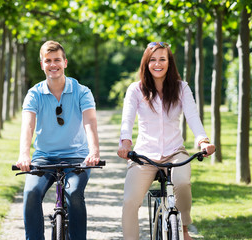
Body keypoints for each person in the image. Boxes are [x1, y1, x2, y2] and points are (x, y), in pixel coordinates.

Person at [117, 42, 216, 240]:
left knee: (182, 183)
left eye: (162, 59)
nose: (157, 64)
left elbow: (193, 117)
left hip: (174, 152)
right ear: (146, 63)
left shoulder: (181, 88)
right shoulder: (136, 90)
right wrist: (125, 144)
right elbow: (127, 120)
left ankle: (185, 229)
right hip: (144, 155)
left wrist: (203, 141)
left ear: (169, 63)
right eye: (152, 60)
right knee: (130, 202)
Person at [16, 40, 100, 240]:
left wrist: (94, 151)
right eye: (48, 61)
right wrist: (24, 155)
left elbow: (90, 121)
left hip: (77, 158)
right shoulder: (34, 94)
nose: (53, 65)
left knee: (74, 195)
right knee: (31, 194)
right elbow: (27, 125)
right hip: (44, 158)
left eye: (57, 60)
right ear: (42, 64)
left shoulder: (82, 91)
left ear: (65, 62)